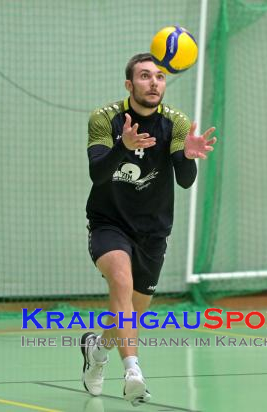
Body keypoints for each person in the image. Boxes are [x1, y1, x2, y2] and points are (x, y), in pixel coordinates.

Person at [81, 53, 216, 406]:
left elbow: (185, 182)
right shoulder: (105, 119)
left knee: (132, 312)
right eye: (144, 76)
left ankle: (97, 348)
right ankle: (133, 372)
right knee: (121, 284)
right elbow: (98, 174)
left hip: (153, 230)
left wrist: (187, 157)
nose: (154, 82)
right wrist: (122, 147)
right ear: (129, 85)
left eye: (159, 76)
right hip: (109, 223)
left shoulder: (176, 123)